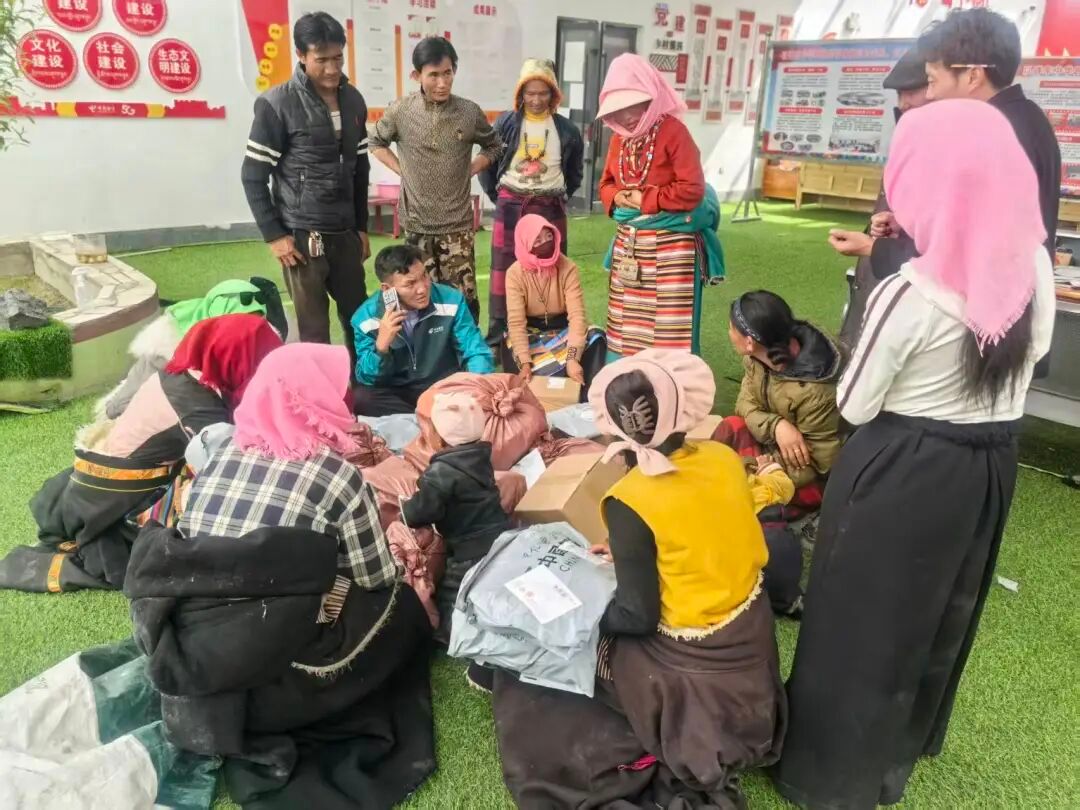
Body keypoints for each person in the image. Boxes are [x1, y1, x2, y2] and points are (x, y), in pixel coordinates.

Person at [771, 100, 1055, 810]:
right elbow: (1037, 354)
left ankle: (827, 774)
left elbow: (856, 402)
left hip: (902, 466)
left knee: (860, 619)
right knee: (942, 609)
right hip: (988, 467)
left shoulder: (912, 292)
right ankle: (902, 747)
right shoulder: (1035, 264)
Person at [491, 349, 785, 808]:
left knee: (549, 653)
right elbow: (708, 523)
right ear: (682, 403)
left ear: (613, 428)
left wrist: (579, 611)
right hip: (749, 629)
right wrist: (631, 549)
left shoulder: (629, 498)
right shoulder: (721, 456)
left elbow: (637, 616)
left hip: (686, 653)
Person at [174, 342, 435, 805]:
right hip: (282, 674)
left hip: (202, 653)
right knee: (402, 606)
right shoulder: (335, 474)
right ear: (317, 399)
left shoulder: (218, 459)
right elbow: (374, 577)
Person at [0, 314, 282, 594]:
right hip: (119, 503)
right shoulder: (195, 403)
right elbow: (230, 467)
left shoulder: (184, 373)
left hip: (114, 481)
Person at [241, 11, 371, 366]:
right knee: (313, 328)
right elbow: (253, 176)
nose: (332, 68)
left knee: (360, 318)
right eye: (321, 59)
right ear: (300, 55)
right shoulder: (276, 104)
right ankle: (318, 392)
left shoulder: (354, 100)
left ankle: (363, 385)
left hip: (345, 231)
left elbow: (360, 170)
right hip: (301, 235)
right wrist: (274, 235)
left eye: (338, 58)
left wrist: (361, 227)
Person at [597, 54, 723, 358]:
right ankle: (625, 380)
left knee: (670, 330)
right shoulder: (618, 140)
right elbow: (606, 184)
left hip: (673, 249)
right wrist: (618, 197)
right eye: (618, 109)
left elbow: (692, 190)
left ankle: (672, 382)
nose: (627, 116)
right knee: (625, 327)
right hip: (630, 247)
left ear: (651, 97)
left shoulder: (674, 132)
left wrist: (645, 200)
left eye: (634, 105)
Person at [370, 36, 504, 323]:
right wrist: (402, 170)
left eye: (448, 73)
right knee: (418, 299)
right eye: (433, 75)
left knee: (463, 301)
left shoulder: (468, 112)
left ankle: (466, 348)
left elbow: (495, 145)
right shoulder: (401, 111)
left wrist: (471, 168)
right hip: (416, 225)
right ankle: (426, 348)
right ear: (416, 75)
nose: (442, 83)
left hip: (457, 226)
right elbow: (375, 142)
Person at [918, 8, 1061, 257]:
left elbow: (972, 245)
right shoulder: (1029, 118)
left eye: (932, 81)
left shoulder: (993, 134)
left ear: (973, 76)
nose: (930, 95)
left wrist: (881, 248)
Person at [829, 45, 930, 348]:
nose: (903, 102)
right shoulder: (908, 134)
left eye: (911, 91)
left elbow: (939, 246)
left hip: (912, 295)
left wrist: (872, 246)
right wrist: (885, 223)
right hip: (880, 278)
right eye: (899, 94)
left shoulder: (953, 149)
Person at [480, 58, 584, 340]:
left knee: (551, 266)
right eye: (530, 93)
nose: (536, 100)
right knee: (503, 267)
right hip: (511, 205)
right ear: (520, 94)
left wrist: (556, 196)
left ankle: (549, 328)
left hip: (549, 206)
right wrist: (501, 197)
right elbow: (488, 164)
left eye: (543, 93)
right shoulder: (505, 123)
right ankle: (499, 332)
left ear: (553, 94)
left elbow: (574, 173)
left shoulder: (567, 130)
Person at [401, 391, 511, 645]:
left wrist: (405, 509)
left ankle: (448, 634)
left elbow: (421, 512)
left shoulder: (440, 473)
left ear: (440, 438)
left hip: (467, 548)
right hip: (497, 533)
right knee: (492, 582)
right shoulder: (479, 457)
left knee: (453, 592)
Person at [717, 291, 842, 511]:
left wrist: (760, 468)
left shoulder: (816, 392)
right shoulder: (756, 356)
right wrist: (776, 426)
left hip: (805, 471)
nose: (729, 333)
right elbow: (743, 404)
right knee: (731, 426)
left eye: (731, 328)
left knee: (747, 496)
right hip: (771, 445)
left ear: (749, 342)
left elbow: (820, 461)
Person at [98, 278, 285, 420]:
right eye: (240, 323)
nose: (250, 331)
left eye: (255, 323)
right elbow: (121, 407)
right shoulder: (167, 348)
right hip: (149, 420)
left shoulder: (258, 339)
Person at [352, 244, 494, 416]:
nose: (422, 288)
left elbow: (474, 350)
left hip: (443, 388)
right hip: (400, 393)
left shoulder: (451, 300)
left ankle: (425, 419)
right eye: (410, 283)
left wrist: (477, 386)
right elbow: (366, 377)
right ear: (387, 289)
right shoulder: (365, 319)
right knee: (361, 399)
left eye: (424, 276)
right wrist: (381, 348)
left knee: (477, 388)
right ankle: (429, 419)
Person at [502, 214, 606, 395]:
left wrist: (572, 358)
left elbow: (577, 316)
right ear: (525, 244)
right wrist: (525, 363)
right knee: (511, 345)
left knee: (596, 336)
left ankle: (586, 396)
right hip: (532, 332)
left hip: (563, 329)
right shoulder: (514, 274)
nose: (546, 243)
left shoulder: (568, 267)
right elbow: (517, 323)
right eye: (537, 240)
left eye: (549, 236)